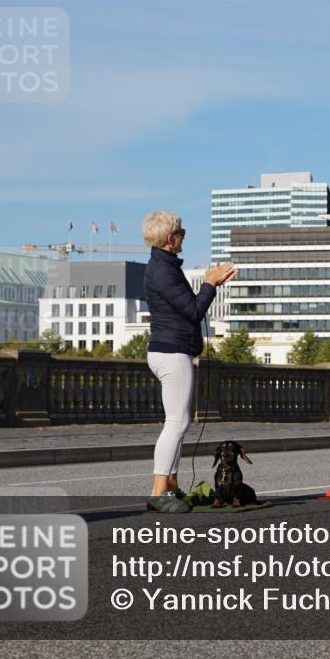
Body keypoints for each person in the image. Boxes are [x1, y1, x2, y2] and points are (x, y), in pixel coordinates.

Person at [142, 210, 237, 513]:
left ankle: (171, 486)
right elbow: (194, 311)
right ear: (170, 238)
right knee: (177, 422)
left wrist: (211, 284)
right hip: (172, 352)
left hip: (168, 350)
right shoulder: (163, 271)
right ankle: (159, 492)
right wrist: (210, 284)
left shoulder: (163, 266)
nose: (184, 236)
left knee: (177, 422)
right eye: (181, 233)